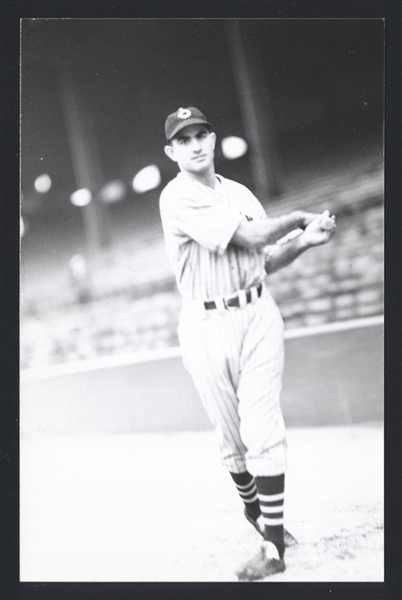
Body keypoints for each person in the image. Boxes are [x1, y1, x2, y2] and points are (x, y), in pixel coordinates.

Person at [159, 106, 336, 581]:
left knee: (262, 426)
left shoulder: (238, 193)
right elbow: (248, 234)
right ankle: (254, 510)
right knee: (232, 437)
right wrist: (298, 216)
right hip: (206, 323)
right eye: (184, 139)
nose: (195, 144)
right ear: (171, 152)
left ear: (214, 139)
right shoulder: (176, 197)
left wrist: (303, 242)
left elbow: (265, 259)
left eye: (201, 134)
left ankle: (273, 546)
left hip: (257, 314)